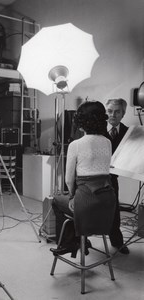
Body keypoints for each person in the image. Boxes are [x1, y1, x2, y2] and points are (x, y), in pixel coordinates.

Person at [51, 100, 116, 257]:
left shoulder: (76, 144)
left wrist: (72, 196)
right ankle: (81, 240)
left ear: (81, 121)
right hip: (107, 203)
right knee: (77, 204)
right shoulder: (108, 142)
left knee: (57, 200)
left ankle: (69, 243)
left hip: (86, 204)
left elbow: (68, 179)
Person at [105, 98, 129, 254]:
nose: (113, 115)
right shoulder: (97, 129)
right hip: (95, 175)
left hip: (113, 177)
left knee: (114, 210)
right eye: (109, 111)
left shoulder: (129, 132)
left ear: (123, 113)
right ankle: (83, 239)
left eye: (117, 111)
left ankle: (117, 241)